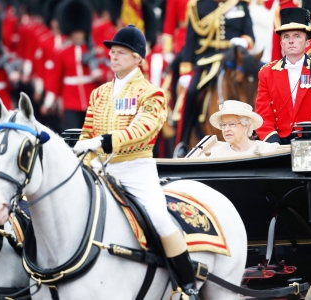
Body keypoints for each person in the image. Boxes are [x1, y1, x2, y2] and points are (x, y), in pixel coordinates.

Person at [72, 25, 198, 300]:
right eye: (112, 52)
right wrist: (84, 152)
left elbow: (144, 129)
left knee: (161, 221)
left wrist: (104, 141)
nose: (113, 57)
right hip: (100, 170)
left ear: (138, 58)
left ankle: (187, 285)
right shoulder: (99, 93)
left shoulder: (151, 93)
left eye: (120, 52)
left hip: (135, 170)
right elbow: (87, 131)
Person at [175, 0, 255, 156]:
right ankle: (183, 143)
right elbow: (190, 41)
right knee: (191, 93)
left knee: (252, 84)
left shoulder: (240, 4)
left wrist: (244, 41)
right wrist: (185, 70)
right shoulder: (198, 6)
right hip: (207, 59)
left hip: (233, 58)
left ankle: (256, 136)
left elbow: (250, 36)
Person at [255, 7, 311, 145]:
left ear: (307, 43)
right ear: (281, 43)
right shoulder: (266, 73)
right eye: (286, 37)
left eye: (297, 36)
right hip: (278, 141)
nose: (290, 41)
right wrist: (273, 142)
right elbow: (263, 114)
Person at [42, 0, 101, 131]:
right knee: (72, 135)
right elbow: (54, 79)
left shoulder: (93, 49)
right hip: (70, 101)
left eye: (80, 32)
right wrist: (48, 102)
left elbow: (105, 69)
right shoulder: (62, 52)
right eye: (75, 32)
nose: (78, 35)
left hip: (92, 98)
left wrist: (100, 75)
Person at [208, 100, 279, 157]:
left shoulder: (265, 149)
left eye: (232, 124)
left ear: (246, 126)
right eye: (223, 125)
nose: (226, 129)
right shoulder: (217, 154)